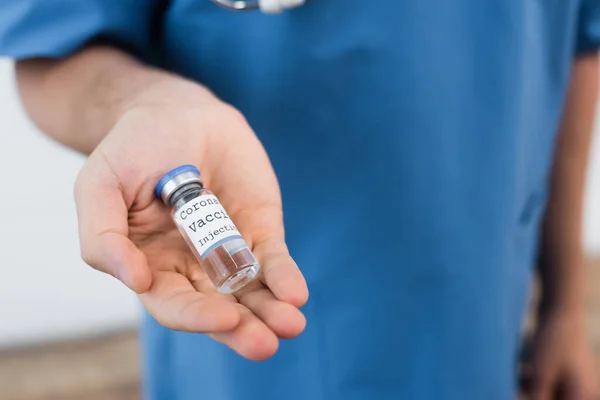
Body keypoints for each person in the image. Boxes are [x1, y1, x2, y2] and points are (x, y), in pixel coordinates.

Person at [0, 1, 598, 398]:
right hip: (250, 341)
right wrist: (144, 102)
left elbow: (577, 43)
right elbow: (52, 47)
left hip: (481, 319)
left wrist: (566, 305)